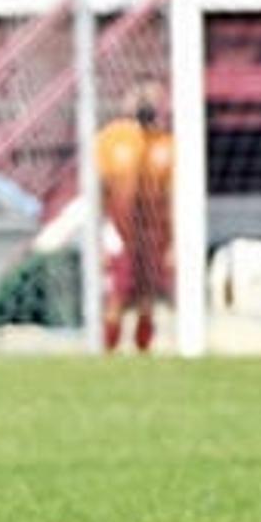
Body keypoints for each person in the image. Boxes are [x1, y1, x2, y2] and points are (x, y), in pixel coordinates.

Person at [92, 81, 174, 352]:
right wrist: (101, 233)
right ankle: (108, 351)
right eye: (138, 94)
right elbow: (99, 189)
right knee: (118, 293)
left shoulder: (168, 145)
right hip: (119, 231)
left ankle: (143, 351)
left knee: (147, 296)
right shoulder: (111, 139)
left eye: (152, 96)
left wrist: (173, 242)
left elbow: (173, 198)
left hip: (154, 234)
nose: (144, 101)